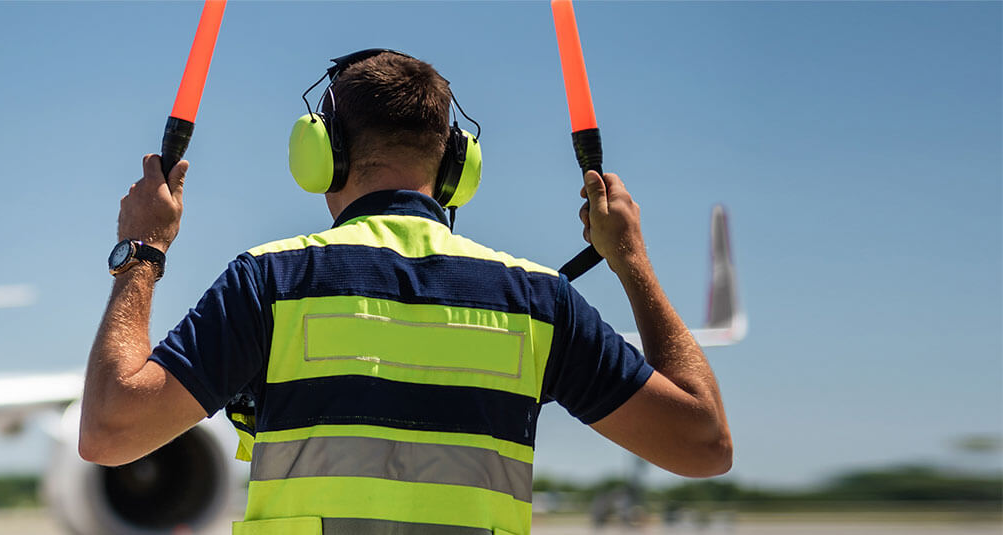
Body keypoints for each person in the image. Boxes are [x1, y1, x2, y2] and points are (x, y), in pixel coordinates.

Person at [80, 49, 730, 534]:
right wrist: (631, 262)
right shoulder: (538, 301)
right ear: (456, 165)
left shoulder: (270, 285)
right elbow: (702, 444)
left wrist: (143, 251)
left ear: (320, 154)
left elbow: (109, 432)